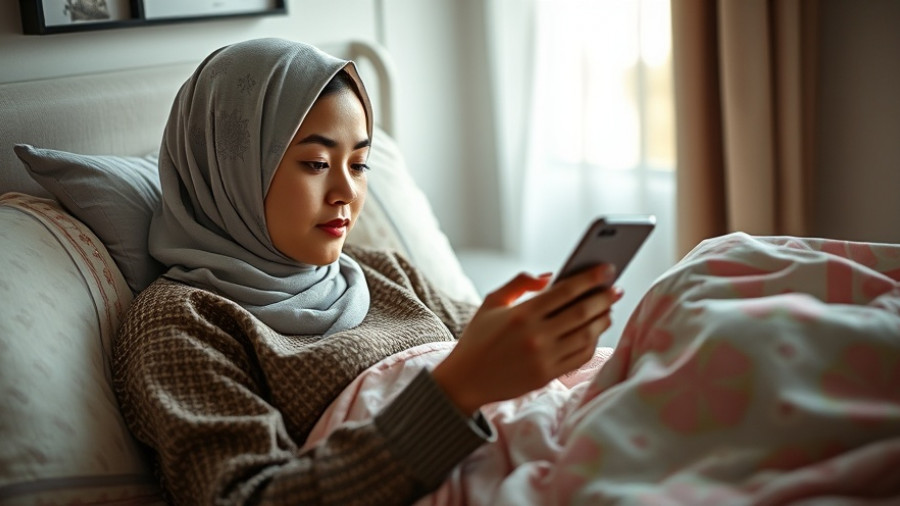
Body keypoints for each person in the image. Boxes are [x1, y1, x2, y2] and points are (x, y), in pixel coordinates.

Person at [112, 38, 622, 505]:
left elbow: (506, 361)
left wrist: (556, 337)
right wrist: (453, 395)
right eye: (315, 163)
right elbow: (250, 497)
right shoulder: (183, 323)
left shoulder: (384, 273)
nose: (346, 194)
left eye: (358, 165)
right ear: (230, 167)